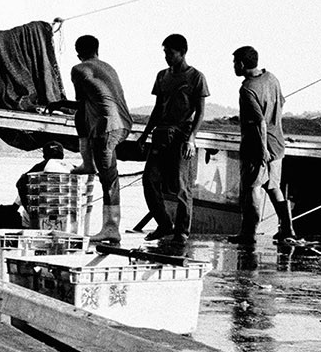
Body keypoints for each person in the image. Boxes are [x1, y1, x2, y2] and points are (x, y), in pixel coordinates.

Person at [134, 33, 208, 243]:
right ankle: (165, 224)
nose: (167, 56)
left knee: (181, 185)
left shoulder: (196, 77)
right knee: (149, 180)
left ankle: (182, 232)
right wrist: (144, 135)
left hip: (182, 136)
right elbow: (157, 108)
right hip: (160, 135)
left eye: (170, 53)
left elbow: (200, 112)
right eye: (165, 52)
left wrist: (191, 138)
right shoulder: (162, 76)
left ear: (182, 53)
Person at [69, 34, 133, 242]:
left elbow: (80, 101)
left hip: (108, 128)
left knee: (109, 179)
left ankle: (111, 227)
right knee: (81, 116)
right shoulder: (108, 67)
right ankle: (88, 163)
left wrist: (58, 104)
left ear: (78, 52)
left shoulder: (79, 69)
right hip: (124, 123)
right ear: (97, 50)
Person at [230, 46, 296, 245]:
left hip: (257, 147)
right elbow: (280, 105)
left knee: (253, 188)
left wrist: (262, 150)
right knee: (274, 187)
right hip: (277, 144)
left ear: (241, 64)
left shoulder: (247, 88)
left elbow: (259, 122)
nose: (233, 67)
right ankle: (287, 229)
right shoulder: (272, 78)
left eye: (234, 63)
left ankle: (248, 233)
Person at [15, 141, 79, 218]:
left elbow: (20, 183)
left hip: (41, 214)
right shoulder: (71, 167)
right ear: (62, 155)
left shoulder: (39, 167)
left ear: (44, 155)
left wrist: (28, 208)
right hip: (68, 213)